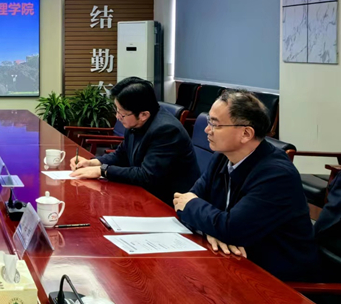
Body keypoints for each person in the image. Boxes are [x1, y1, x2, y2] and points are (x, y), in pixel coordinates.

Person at [174, 90, 319, 281]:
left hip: (276, 280)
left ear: (246, 133)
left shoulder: (276, 175)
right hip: (234, 262)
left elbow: (230, 228)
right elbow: (184, 202)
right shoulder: (221, 158)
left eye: (215, 124)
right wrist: (213, 229)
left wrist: (218, 228)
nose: (207, 130)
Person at [70, 77, 200, 204]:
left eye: (122, 114)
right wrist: (92, 163)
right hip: (143, 195)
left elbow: (147, 176)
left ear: (144, 115)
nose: (117, 117)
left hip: (168, 203)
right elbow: (122, 154)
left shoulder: (166, 130)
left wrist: (103, 170)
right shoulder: (135, 123)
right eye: (117, 111)